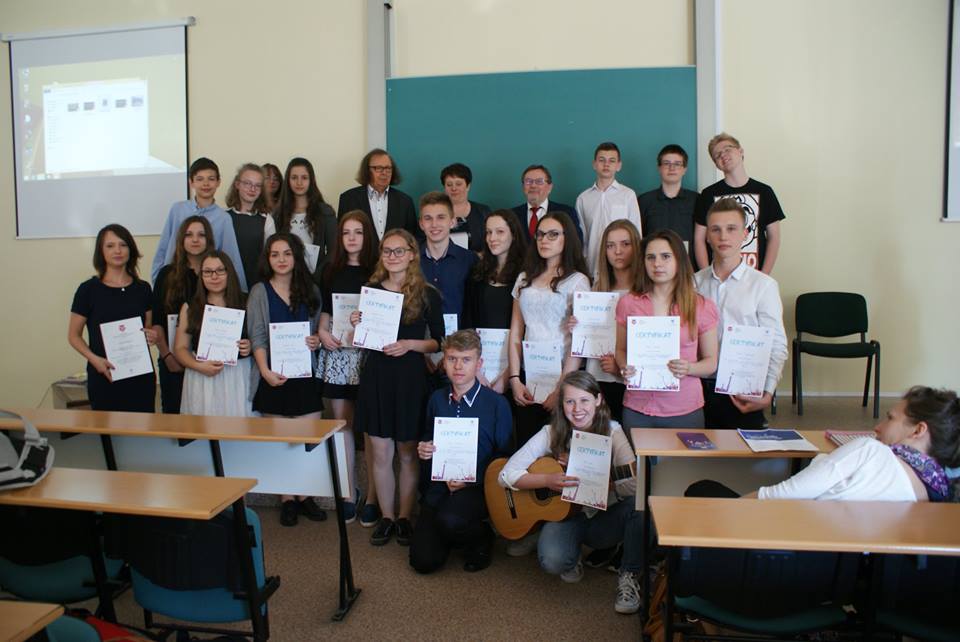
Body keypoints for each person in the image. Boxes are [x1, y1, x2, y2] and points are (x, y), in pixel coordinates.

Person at [498, 371, 644, 614]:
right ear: (561, 403)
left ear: (598, 400)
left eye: (584, 400)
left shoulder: (613, 431)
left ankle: (629, 575)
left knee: (639, 506)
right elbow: (505, 475)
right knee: (552, 561)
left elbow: (634, 484)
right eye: (570, 401)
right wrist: (548, 480)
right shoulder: (550, 432)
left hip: (601, 518)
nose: (577, 409)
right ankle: (553, 537)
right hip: (565, 516)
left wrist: (603, 481)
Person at [689, 386, 960, 503]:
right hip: (831, 579)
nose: (878, 427)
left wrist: (723, 518)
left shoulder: (870, 452)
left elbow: (774, 498)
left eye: (890, 418)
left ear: (918, 430)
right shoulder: (936, 494)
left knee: (702, 490)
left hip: (781, 558)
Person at [352, 229, 445, 546]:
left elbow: (438, 342)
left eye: (399, 251)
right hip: (377, 376)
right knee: (380, 452)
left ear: (412, 254)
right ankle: (387, 517)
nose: (392, 256)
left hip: (410, 379)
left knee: (407, 453)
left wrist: (409, 344)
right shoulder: (371, 291)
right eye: (386, 251)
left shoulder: (427, 293)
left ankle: (405, 517)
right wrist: (357, 323)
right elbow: (363, 339)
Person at [411, 330, 512, 574]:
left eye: (466, 360)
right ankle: (449, 534)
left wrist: (471, 480)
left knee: (451, 520)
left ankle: (482, 536)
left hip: (479, 487)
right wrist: (424, 448)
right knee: (423, 562)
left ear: (479, 363)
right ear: (444, 362)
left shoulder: (497, 404)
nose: (458, 366)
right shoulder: (436, 399)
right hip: (440, 484)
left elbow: (505, 457)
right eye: (452, 359)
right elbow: (428, 435)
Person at [247, 233, 325, 526]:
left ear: (296, 257)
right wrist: (265, 371)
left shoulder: (311, 289)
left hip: (304, 375)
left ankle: (305, 496)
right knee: (281, 443)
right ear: (267, 259)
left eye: (287, 253)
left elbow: (315, 331)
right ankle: (287, 499)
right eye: (275, 254)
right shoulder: (259, 291)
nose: (281, 259)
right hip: (273, 375)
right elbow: (257, 335)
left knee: (307, 439)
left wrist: (315, 340)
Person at [695, 198, 788, 429]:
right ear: (707, 236)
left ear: (745, 234)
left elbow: (776, 344)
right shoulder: (693, 284)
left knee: (739, 450)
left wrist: (767, 392)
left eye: (731, 229)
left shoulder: (763, 286)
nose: (723, 237)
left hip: (742, 391)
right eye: (716, 230)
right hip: (698, 388)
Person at [615, 230, 719, 428]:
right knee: (634, 451)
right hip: (637, 406)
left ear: (679, 260)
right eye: (650, 257)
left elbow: (711, 362)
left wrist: (689, 368)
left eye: (665, 256)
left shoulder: (702, 306)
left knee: (682, 452)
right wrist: (624, 366)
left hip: (684, 407)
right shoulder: (628, 303)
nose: (657, 264)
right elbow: (620, 350)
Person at [316, 211, 379, 525]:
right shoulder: (330, 270)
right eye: (346, 233)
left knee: (370, 427)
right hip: (339, 353)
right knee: (342, 423)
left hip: (369, 355)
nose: (352, 238)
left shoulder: (378, 270)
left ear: (367, 236)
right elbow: (326, 311)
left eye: (358, 232)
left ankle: (374, 497)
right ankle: (348, 493)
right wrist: (322, 332)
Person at [508, 212, 591, 447]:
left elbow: (578, 341)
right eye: (541, 234)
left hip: (563, 377)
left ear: (567, 238)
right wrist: (514, 379)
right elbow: (515, 333)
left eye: (553, 234)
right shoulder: (524, 278)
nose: (544, 240)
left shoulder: (578, 281)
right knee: (527, 446)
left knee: (558, 450)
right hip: (529, 376)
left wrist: (562, 388)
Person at [69, 224, 157, 412]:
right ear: (101, 252)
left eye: (123, 245)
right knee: (107, 429)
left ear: (130, 249)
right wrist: (94, 360)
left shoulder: (143, 289)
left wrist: (152, 335)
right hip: (104, 374)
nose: (117, 250)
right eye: (110, 246)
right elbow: (73, 336)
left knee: (143, 427)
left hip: (140, 376)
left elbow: (149, 327)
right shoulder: (88, 290)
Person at [567, 220, 643, 424]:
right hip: (596, 378)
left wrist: (620, 369)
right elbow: (586, 338)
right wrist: (577, 327)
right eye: (610, 246)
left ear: (637, 247)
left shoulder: (646, 292)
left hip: (630, 384)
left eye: (625, 244)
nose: (617, 251)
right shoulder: (597, 289)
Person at [692, 133, 786, 273]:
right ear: (716, 164)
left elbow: (774, 237)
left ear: (740, 151)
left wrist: (763, 276)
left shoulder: (765, 191)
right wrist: (707, 276)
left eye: (727, 149)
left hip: (754, 274)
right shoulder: (708, 194)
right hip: (718, 275)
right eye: (717, 155)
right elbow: (699, 239)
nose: (723, 155)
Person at [175, 251, 252, 417]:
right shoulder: (190, 306)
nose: (214, 276)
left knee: (240, 426)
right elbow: (180, 348)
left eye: (220, 270)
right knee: (204, 428)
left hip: (238, 376)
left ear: (229, 272)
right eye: (208, 272)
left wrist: (250, 346)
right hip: (202, 376)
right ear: (201, 276)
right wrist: (198, 366)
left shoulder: (247, 301)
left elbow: (260, 340)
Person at [151, 216, 214, 413]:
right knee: (175, 418)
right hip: (173, 361)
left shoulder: (216, 274)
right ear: (181, 240)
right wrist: (167, 356)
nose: (195, 240)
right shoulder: (166, 275)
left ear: (208, 240)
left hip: (208, 361)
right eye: (189, 235)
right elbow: (157, 320)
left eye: (201, 235)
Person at [150, 157, 247, 288]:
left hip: (207, 283)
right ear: (191, 182)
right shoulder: (178, 210)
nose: (205, 184)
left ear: (218, 182)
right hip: (175, 280)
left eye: (211, 179)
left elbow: (231, 257)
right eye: (200, 179)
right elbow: (163, 247)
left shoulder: (223, 218)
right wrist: (157, 281)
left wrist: (240, 290)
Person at [462, 210, 527, 394]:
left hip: (517, 369)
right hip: (480, 369)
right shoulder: (477, 273)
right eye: (489, 232)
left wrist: (509, 375)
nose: (492, 238)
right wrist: (475, 369)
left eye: (500, 232)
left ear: (513, 234)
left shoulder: (527, 274)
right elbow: (468, 321)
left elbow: (528, 330)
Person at [575, 142, 643, 278]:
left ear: (619, 165)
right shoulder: (583, 198)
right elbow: (582, 238)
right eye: (602, 160)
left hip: (622, 267)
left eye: (612, 161)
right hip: (593, 267)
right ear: (594, 164)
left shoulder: (628, 195)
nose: (606, 164)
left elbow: (636, 233)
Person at [264, 157, 338, 282]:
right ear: (287, 180)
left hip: (317, 281)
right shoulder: (276, 215)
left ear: (311, 180)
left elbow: (334, 250)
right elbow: (271, 252)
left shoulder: (325, 212)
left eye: (304, 178)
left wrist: (317, 276)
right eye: (294, 178)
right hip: (285, 281)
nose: (299, 182)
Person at [418, 191, 478, 323]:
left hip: (459, 335)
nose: (434, 224)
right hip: (420, 335)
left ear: (452, 222)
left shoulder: (470, 260)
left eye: (441, 217)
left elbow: (475, 306)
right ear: (421, 224)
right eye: (428, 218)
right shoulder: (410, 260)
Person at [336, 149, 418, 243]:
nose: (384, 173)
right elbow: (341, 237)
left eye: (388, 168)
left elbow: (411, 239)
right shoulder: (348, 199)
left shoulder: (405, 201)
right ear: (367, 171)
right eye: (378, 168)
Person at [637, 144, 698, 250]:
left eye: (677, 164)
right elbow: (638, 238)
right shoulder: (643, 201)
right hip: (655, 259)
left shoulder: (697, 200)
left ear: (684, 169)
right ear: (659, 168)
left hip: (688, 260)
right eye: (666, 163)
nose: (672, 168)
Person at [510, 164, 584, 244]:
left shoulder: (567, 212)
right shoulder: (512, 215)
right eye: (528, 181)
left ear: (550, 187)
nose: (533, 185)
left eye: (539, 181)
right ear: (523, 187)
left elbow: (576, 244)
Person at [225, 163, 269, 291]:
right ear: (237, 184)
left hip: (256, 283)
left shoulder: (266, 219)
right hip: (228, 283)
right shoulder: (224, 217)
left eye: (257, 185)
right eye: (247, 183)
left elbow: (270, 256)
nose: (252, 189)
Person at [440, 162, 491, 253]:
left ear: (468, 186)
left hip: (478, 261)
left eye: (458, 184)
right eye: (449, 185)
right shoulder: (435, 213)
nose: (454, 188)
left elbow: (492, 240)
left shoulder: (483, 212)